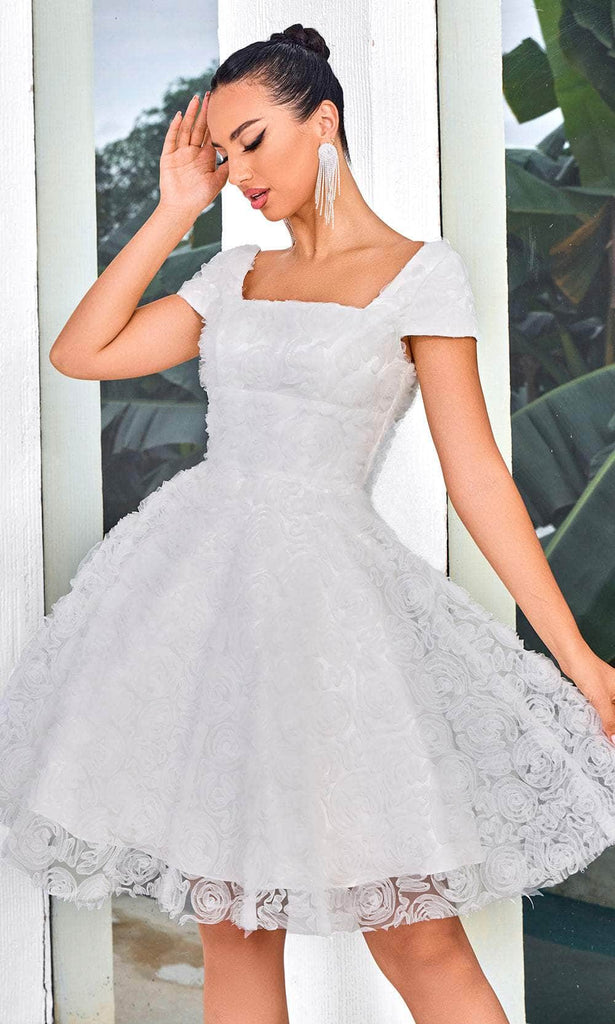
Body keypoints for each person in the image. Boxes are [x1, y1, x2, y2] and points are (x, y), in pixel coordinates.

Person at [2, 20, 615, 1024]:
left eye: (252, 141)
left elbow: (476, 477)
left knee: (417, 934)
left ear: (322, 121)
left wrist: (576, 656)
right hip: (202, 607)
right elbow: (82, 352)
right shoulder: (231, 276)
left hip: (330, 615)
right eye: (222, 151)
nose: (239, 171)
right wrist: (175, 209)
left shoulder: (420, 273)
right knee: (233, 928)